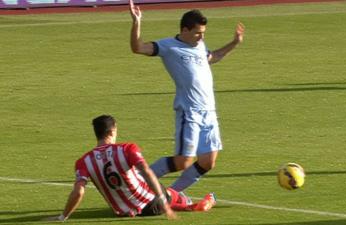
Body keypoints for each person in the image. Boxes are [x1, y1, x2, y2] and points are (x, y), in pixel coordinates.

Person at [129, 0, 245, 192]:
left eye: (203, 33)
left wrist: (234, 43)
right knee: (183, 161)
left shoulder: (199, 46)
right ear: (184, 30)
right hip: (189, 112)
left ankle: (171, 195)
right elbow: (138, 48)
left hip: (209, 112)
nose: (201, 37)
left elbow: (212, 57)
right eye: (198, 32)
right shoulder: (168, 46)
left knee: (208, 161)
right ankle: (137, 180)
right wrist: (136, 22)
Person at [45, 115, 216, 222]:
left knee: (154, 189)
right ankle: (192, 205)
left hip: (122, 213)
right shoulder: (127, 149)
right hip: (151, 205)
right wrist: (163, 201)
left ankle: (178, 201)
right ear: (113, 131)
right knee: (172, 196)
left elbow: (79, 192)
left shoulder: (84, 161)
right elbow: (148, 173)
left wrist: (63, 216)